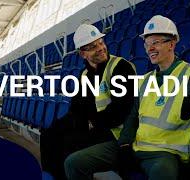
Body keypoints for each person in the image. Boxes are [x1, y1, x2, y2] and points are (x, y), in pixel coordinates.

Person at [64, 15, 190, 180]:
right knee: (74, 163)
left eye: (156, 42)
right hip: (135, 144)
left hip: (165, 152)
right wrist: (124, 145)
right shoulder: (145, 80)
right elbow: (132, 117)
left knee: (163, 172)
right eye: (147, 44)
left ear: (172, 43)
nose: (150, 49)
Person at [40, 24, 136, 179]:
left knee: (68, 145)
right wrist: (62, 125)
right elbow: (76, 109)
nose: (100, 48)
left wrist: (92, 123)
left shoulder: (121, 67)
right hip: (95, 128)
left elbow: (121, 109)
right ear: (83, 54)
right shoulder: (85, 75)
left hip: (115, 131)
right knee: (49, 134)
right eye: (92, 47)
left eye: (100, 43)